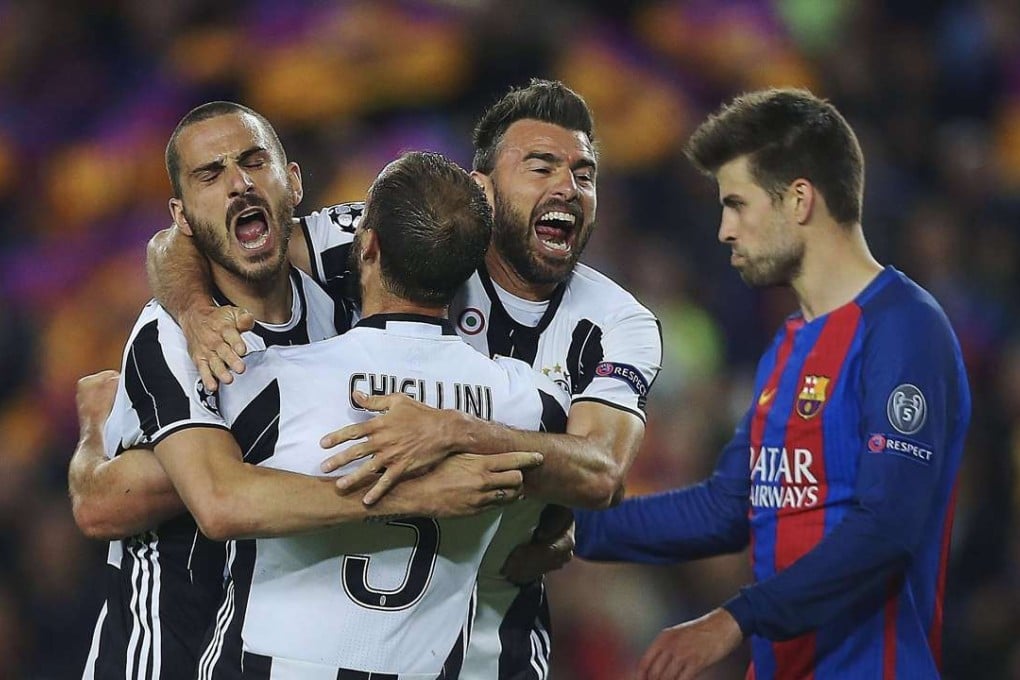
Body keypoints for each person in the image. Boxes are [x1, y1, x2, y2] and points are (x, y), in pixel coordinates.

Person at [149, 79, 664, 679]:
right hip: (349, 624)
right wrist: (193, 315)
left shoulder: (619, 322)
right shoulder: (418, 236)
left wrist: (453, 431)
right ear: (483, 191)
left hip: (496, 642)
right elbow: (191, 241)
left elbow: (602, 472)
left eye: (584, 173)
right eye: (540, 166)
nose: (566, 188)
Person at [70, 103, 535, 680]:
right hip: (165, 647)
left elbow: (441, 218)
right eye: (209, 176)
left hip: (279, 646)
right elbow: (163, 501)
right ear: (183, 217)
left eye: (253, 161)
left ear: (292, 181)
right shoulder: (169, 334)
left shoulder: (336, 307)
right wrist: (420, 487)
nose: (238, 184)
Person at [573, 88, 971, 680]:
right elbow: (728, 506)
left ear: (799, 200)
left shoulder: (904, 329)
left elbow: (887, 528)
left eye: (737, 204)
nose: (724, 231)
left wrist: (733, 619)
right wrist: (569, 529)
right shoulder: (789, 342)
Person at [193, 150, 568, 678]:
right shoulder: (529, 402)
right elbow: (560, 500)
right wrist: (556, 528)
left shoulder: (263, 377)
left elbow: (190, 485)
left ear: (367, 245)